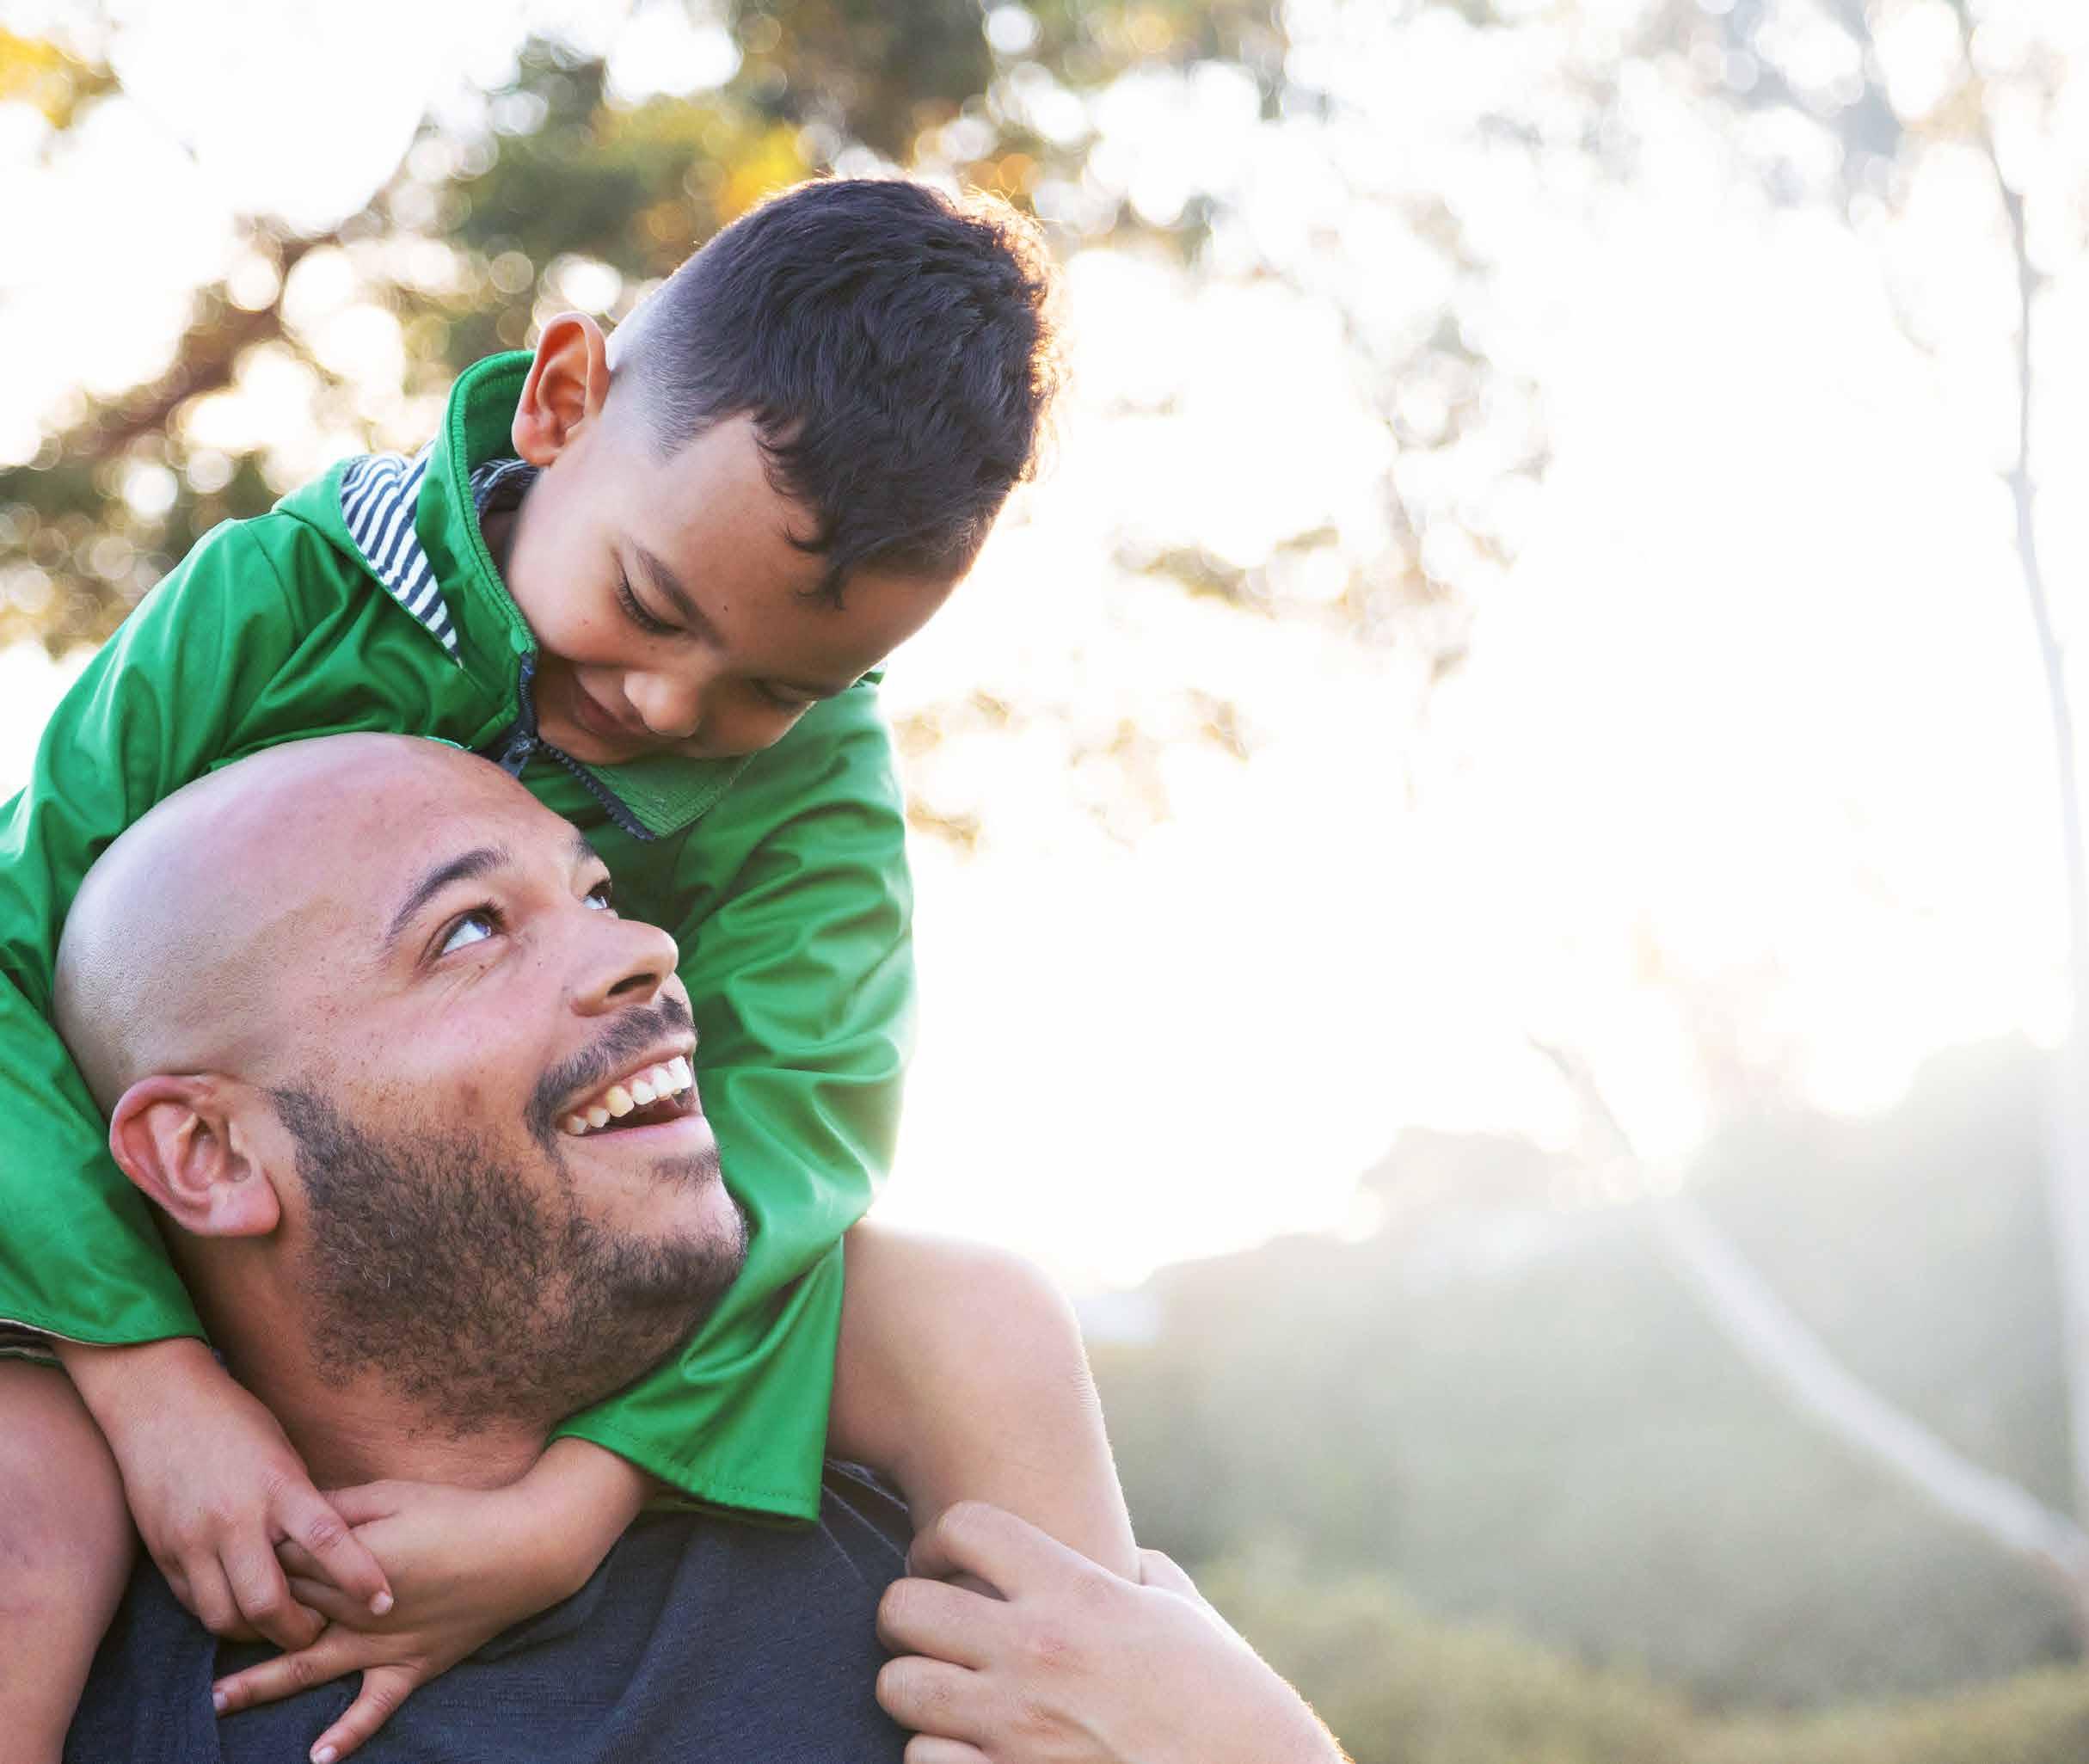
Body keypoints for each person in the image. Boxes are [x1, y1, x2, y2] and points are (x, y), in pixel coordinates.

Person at [0, 174, 1139, 1764]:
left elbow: (802, 1126)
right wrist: (148, 1374)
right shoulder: (277, 601)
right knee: (23, 1499)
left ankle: (1101, 1697)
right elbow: (13, 944)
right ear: (561, 402)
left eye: (775, 689)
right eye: (650, 606)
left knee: (946, 1313)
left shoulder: (819, 781)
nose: (672, 709)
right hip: (89, 1237)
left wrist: (575, 1503)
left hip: (603, 1274)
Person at [43, 734, 1344, 1764]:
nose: (646, 949)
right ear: (210, 1155)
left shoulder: (991, 1565)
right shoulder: (61, 1663)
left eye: (597, 892)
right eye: (472, 929)